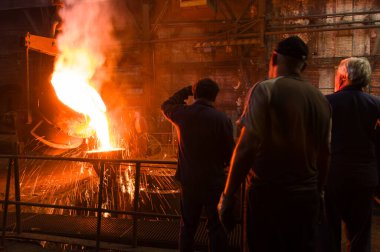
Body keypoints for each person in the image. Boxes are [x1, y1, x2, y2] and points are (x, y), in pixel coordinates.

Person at [218, 36, 331, 252]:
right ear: (304, 66)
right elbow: (325, 153)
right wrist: (318, 193)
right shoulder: (321, 99)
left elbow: (247, 147)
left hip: (268, 198)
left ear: (273, 58)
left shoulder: (265, 89)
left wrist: (228, 195)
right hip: (306, 199)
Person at [161, 78, 235, 252]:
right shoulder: (221, 119)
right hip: (213, 182)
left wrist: (187, 90)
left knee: (187, 228)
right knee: (216, 227)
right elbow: (230, 154)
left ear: (195, 94)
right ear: (214, 97)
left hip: (190, 182)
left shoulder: (183, 113)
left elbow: (166, 104)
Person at [324, 57, 380, 252]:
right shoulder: (376, 105)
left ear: (343, 77)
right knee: (360, 237)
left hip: (332, 176)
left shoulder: (327, 102)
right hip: (363, 178)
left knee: (328, 233)